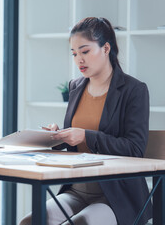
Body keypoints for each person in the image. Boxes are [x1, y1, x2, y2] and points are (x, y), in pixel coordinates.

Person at [20, 17, 151, 225]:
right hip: (77, 190)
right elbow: (77, 141)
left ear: (106, 48)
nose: (79, 59)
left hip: (115, 196)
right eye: (74, 53)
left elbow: (134, 149)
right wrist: (58, 136)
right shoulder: (76, 86)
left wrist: (85, 135)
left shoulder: (134, 90)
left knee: (82, 222)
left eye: (85, 51)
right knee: (30, 221)